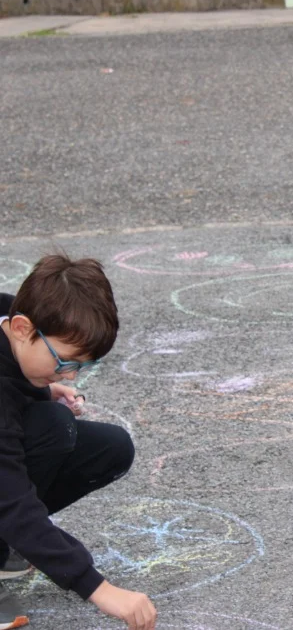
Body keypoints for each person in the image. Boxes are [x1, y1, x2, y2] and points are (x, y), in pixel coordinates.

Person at [0, 254, 157, 630]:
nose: (71, 375)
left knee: (109, 447)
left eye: (81, 366)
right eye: (65, 361)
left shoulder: (10, 315)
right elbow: (10, 498)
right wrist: (97, 588)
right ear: (22, 328)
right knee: (51, 428)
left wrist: (42, 386)